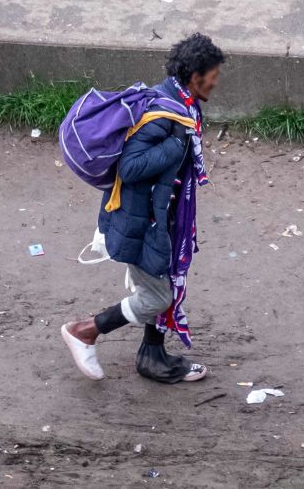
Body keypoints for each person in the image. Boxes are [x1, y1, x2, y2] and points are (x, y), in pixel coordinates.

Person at [60, 33, 225, 384]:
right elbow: (131, 167)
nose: (216, 80)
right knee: (158, 295)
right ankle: (85, 330)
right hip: (140, 223)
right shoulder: (167, 117)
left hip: (157, 219)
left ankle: (152, 356)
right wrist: (175, 143)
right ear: (196, 76)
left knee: (162, 282)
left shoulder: (178, 102)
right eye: (213, 73)